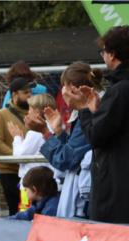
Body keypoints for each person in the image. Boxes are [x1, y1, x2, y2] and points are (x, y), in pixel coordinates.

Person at [66, 26, 129, 226]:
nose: (103, 56)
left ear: (112, 55)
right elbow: (124, 129)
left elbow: (97, 136)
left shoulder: (121, 91)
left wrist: (83, 108)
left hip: (120, 193)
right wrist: (97, 111)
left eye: (103, 52)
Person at [42, 62, 99, 218]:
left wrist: (45, 132)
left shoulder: (90, 111)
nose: (62, 92)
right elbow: (73, 149)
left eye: (64, 86)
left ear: (73, 88)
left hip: (86, 199)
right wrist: (59, 131)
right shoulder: (83, 113)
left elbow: (67, 159)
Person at [9, 93, 61, 203]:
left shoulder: (35, 133)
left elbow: (19, 156)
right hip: (47, 185)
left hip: (32, 187)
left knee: (28, 217)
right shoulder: (55, 126)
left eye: (30, 110)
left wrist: (17, 138)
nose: (27, 113)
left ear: (37, 113)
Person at [0, 77, 32, 215]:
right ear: (15, 95)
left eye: (30, 93)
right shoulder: (1, 115)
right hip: (10, 172)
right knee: (16, 212)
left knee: (31, 213)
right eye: (26, 93)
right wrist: (18, 158)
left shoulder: (33, 114)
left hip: (30, 171)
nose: (30, 96)